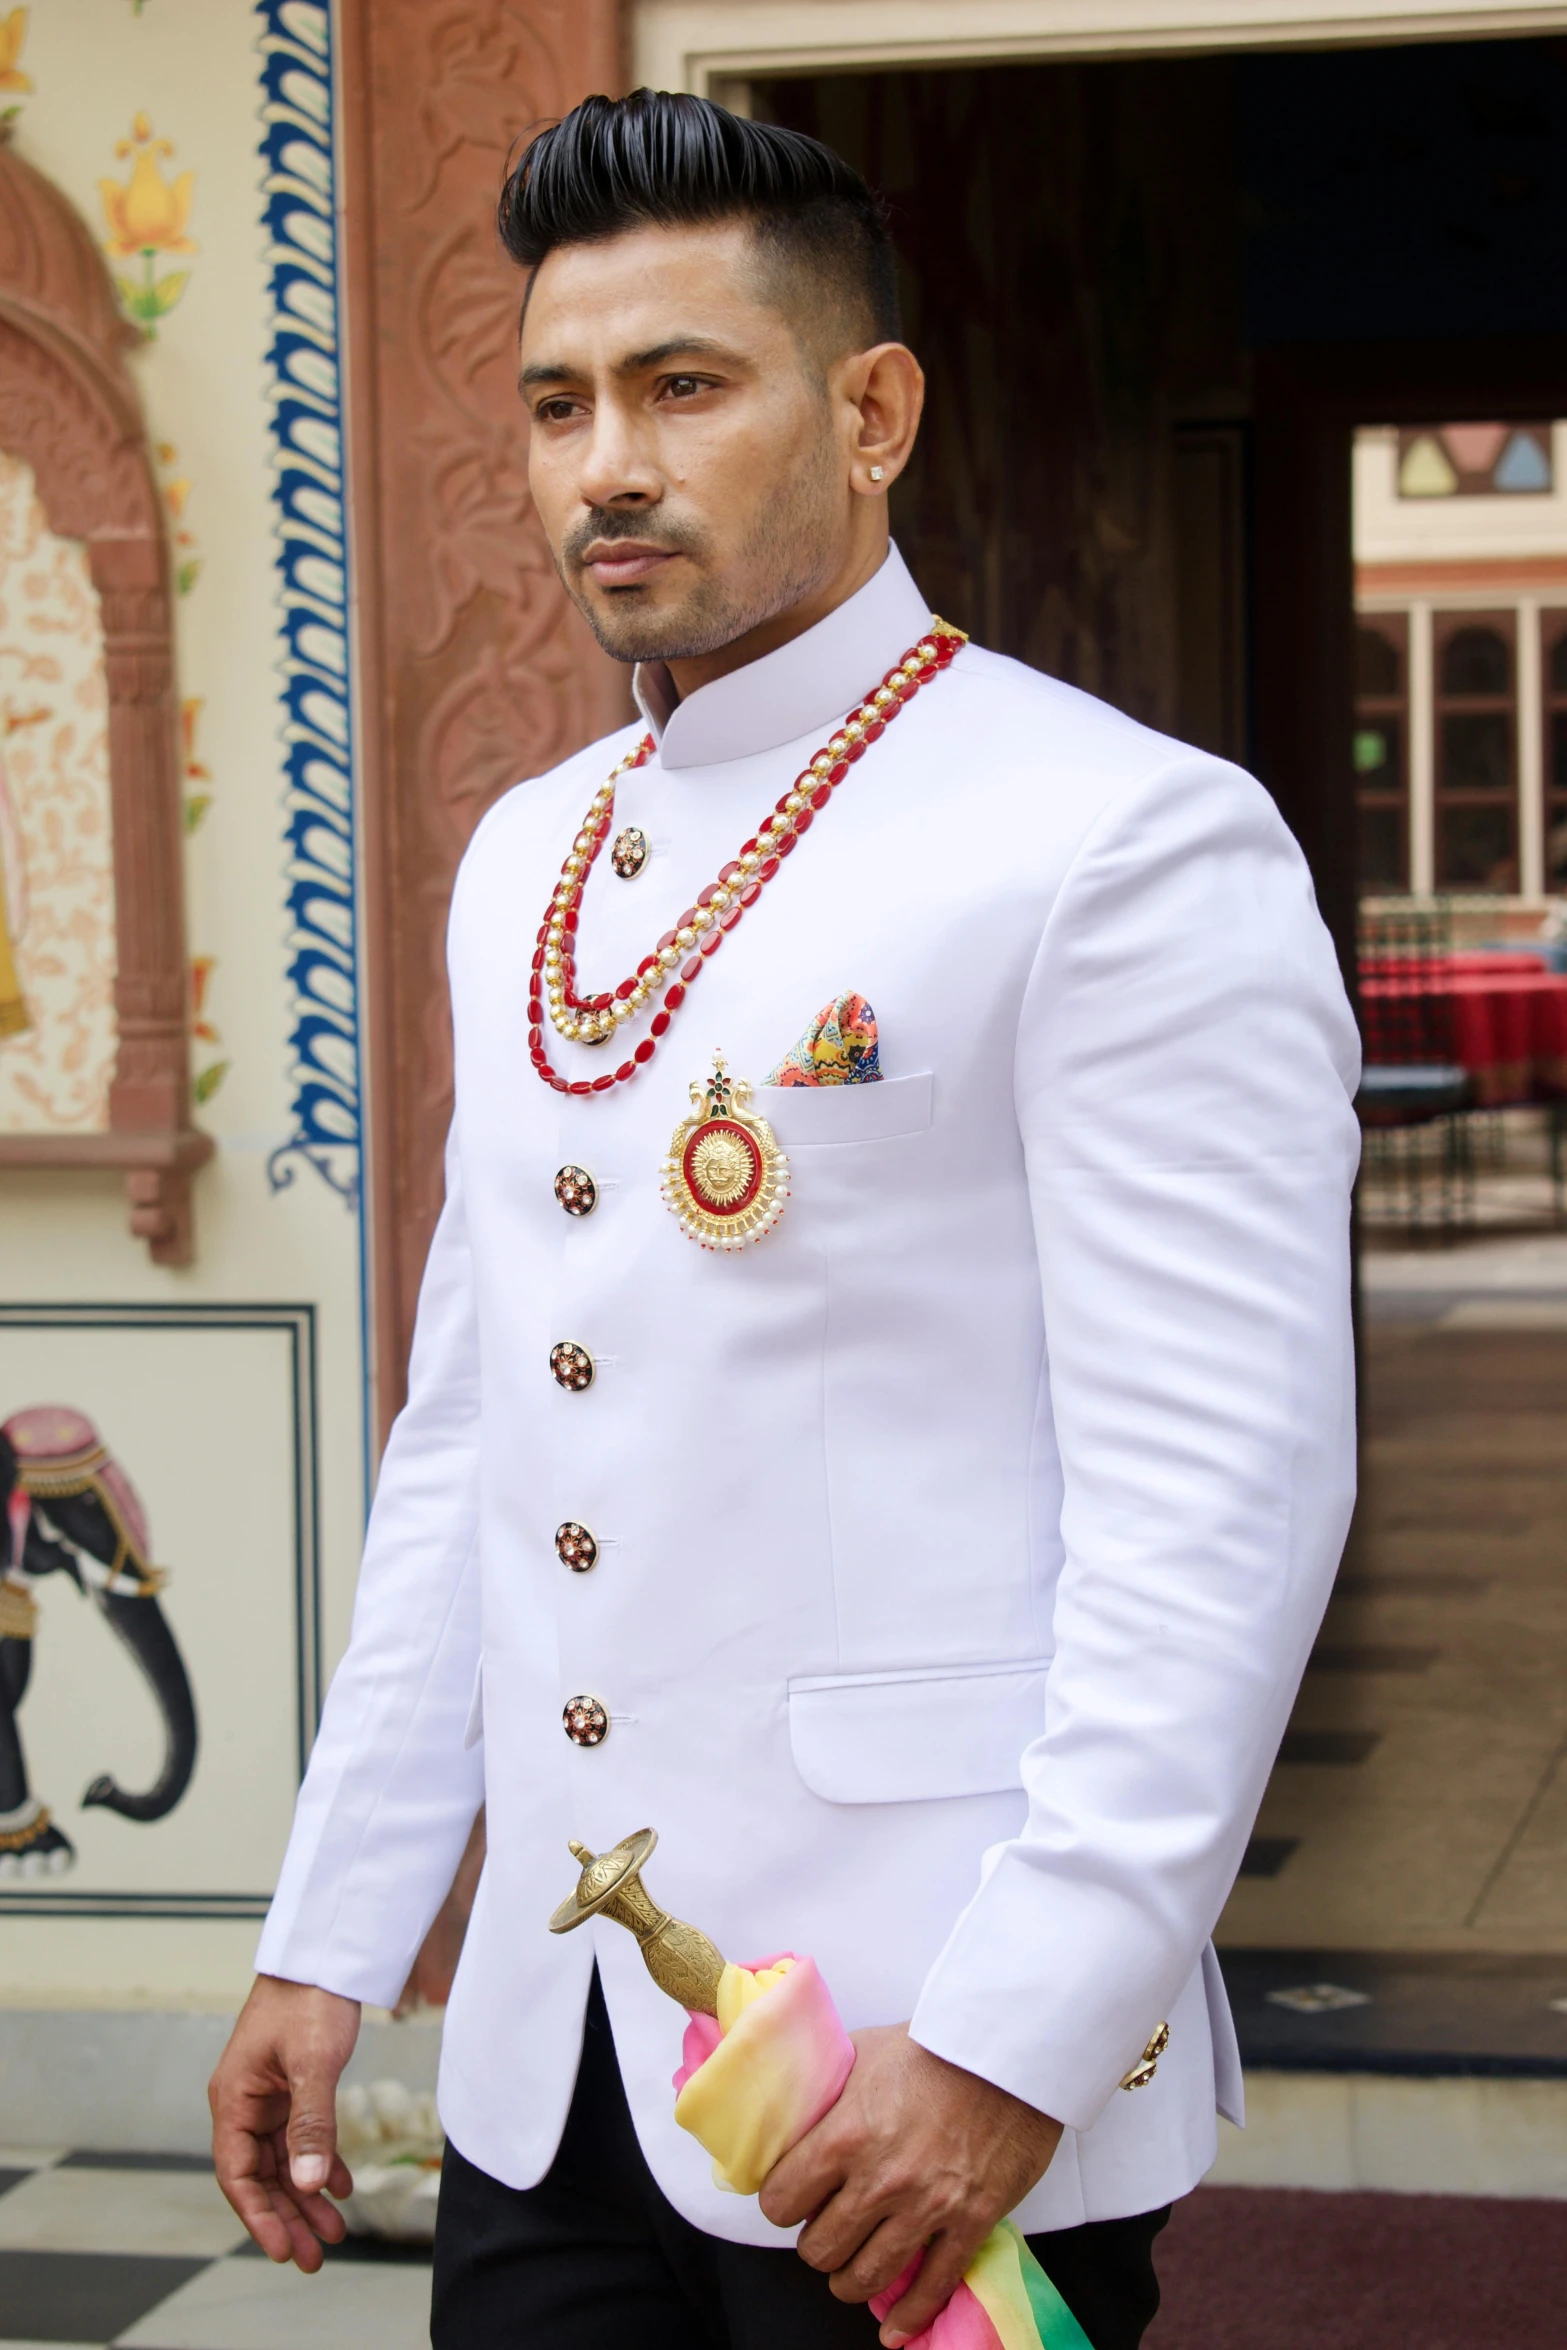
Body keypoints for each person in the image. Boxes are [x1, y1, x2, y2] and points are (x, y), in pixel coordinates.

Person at [209, 90, 1359, 2350]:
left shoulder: (1115, 838)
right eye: (554, 403)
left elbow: (1222, 1504)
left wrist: (1015, 2031)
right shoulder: (530, 856)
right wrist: (334, 1928)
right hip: (564, 2065)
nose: (602, 463)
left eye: (680, 386)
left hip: (910, 2067)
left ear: (872, 411)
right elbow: (474, 1437)